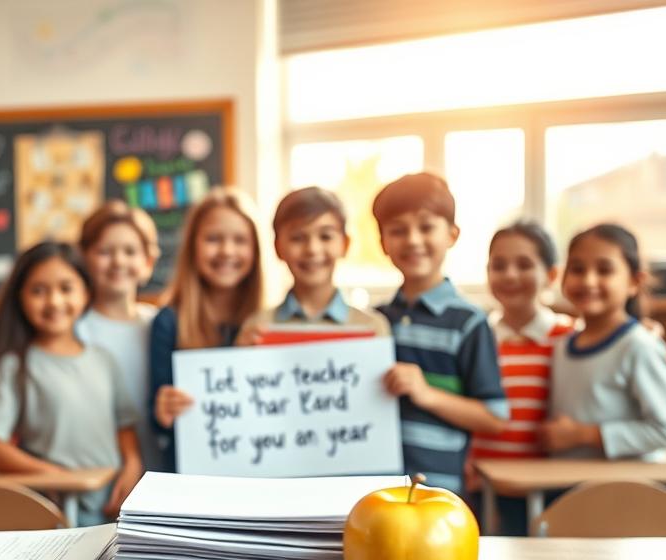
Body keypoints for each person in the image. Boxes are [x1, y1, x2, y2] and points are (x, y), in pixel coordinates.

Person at [0, 241, 143, 525]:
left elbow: (124, 423)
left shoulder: (104, 360)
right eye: (39, 291)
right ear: (20, 298)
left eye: (66, 288)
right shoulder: (16, 367)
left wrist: (133, 465)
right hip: (55, 511)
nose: (54, 301)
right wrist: (55, 477)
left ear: (86, 292)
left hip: (114, 506)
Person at [373, 173, 508, 495]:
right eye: (398, 230)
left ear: (452, 234)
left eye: (426, 227)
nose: (413, 240)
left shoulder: (469, 322)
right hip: (374, 488)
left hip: (437, 492)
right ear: (382, 243)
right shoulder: (374, 322)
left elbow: (494, 417)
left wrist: (426, 393)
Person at [466, 221, 575, 534]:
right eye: (498, 266)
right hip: (483, 482)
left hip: (549, 484)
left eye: (524, 265)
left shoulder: (569, 337)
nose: (510, 275)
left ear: (551, 275)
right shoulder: (477, 338)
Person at [540, 224, 666, 460]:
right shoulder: (561, 346)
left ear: (635, 282)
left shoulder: (640, 345)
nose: (588, 280)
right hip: (570, 487)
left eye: (604, 270)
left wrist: (583, 435)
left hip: (624, 491)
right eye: (577, 269)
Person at [148, 187, 265, 471]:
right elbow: (160, 422)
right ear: (193, 247)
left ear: (256, 250)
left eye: (240, 240)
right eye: (213, 239)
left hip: (258, 472)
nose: (227, 251)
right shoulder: (168, 322)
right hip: (191, 477)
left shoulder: (269, 322)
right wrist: (163, 409)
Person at [236, 186, 389, 345]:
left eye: (325, 236)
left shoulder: (372, 329)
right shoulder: (256, 329)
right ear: (277, 248)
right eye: (297, 238)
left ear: (345, 244)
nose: (312, 249)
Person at [74, 201, 163, 471]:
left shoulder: (160, 324)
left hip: (162, 465)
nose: (119, 261)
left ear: (148, 262)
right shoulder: (76, 330)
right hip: (104, 469)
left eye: (130, 251)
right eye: (105, 251)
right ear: (85, 258)